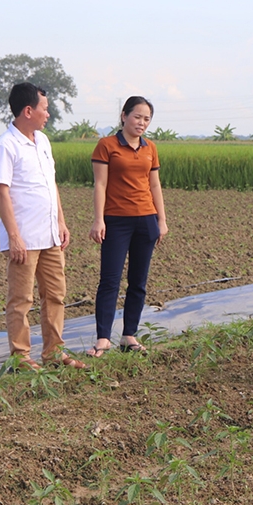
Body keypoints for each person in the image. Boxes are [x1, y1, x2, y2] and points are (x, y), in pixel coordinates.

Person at [0, 82, 86, 370]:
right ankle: (20, 357)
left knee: (55, 295)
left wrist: (61, 221)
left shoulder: (42, 142)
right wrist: (14, 237)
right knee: (21, 299)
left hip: (51, 235)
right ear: (28, 110)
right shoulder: (5, 145)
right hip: (25, 238)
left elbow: (50, 183)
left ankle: (54, 352)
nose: (48, 114)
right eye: (45, 108)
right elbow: (1, 192)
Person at [86, 96, 168, 357]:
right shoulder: (107, 145)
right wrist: (98, 219)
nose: (141, 123)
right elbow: (100, 184)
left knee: (138, 282)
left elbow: (154, 185)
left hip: (146, 220)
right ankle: (102, 339)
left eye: (146, 119)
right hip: (116, 221)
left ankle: (129, 336)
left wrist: (161, 220)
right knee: (110, 281)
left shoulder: (150, 148)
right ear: (124, 116)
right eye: (137, 117)